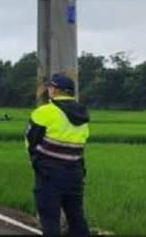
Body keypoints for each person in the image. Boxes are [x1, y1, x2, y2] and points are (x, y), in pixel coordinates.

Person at [25, 73, 90, 236]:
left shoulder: (44, 112)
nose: (48, 90)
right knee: (76, 218)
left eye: (50, 87)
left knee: (50, 220)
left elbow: (31, 141)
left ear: (55, 90)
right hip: (74, 172)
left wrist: (36, 162)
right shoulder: (83, 115)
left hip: (49, 173)